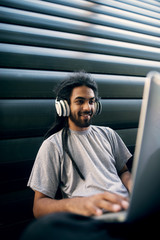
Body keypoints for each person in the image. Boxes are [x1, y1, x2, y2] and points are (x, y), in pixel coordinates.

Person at [21, 71, 134, 239]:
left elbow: (123, 171)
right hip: (93, 220)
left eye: (91, 101)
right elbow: (39, 206)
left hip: (128, 211)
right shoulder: (52, 145)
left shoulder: (108, 134)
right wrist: (80, 203)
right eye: (80, 101)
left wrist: (134, 190)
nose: (88, 108)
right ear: (64, 106)